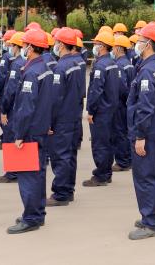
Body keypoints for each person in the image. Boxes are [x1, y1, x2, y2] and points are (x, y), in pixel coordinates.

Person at [6, 28, 55, 234]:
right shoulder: (45, 68)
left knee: (29, 176)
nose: (23, 48)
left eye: (25, 45)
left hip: (30, 131)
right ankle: (38, 213)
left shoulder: (32, 72)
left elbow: (26, 107)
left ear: (32, 47)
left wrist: (19, 134)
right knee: (38, 173)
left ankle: (31, 217)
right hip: (40, 128)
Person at [127, 22, 155, 240]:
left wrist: (140, 135)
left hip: (149, 133)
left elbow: (145, 106)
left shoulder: (147, 71)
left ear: (149, 44)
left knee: (146, 177)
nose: (137, 44)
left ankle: (151, 222)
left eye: (140, 40)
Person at [48, 28, 87, 205]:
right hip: (73, 115)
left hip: (62, 118)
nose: (55, 45)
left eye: (56, 42)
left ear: (62, 45)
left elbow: (55, 98)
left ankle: (61, 193)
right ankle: (68, 189)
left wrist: (50, 121)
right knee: (70, 155)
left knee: (61, 156)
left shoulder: (61, 67)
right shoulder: (77, 63)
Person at [84, 28, 119, 189]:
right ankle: (106, 172)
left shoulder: (101, 65)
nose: (94, 46)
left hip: (101, 110)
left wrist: (91, 110)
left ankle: (101, 175)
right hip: (110, 108)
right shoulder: (112, 63)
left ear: (103, 46)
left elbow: (96, 90)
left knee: (100, 144)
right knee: (108, 142)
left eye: (97, 43)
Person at [0, 32, 26, 183]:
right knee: (18, 136)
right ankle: (19, 169)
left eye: (12, 45)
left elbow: (10, 89)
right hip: (22, 106)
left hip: (13, 107)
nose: (10, 48)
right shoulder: (27, 62)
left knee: (10, 137)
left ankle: (12, 173)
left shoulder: (16, 64)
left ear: (17, 47)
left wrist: (4, 109)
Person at [112, 33, 135, 172]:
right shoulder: (128, 63)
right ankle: (128, 159)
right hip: (128, 103)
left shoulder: (120, 65)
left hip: (121, 104)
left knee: (120, 132)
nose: (112, 50)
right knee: (126, 131)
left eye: (113, 47)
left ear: (119, 48)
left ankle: (122, 161)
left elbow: (121, 87)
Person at [0, 29, 17, 151]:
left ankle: (6, 142)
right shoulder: (21, 59)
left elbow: (1, 76)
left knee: (4, 118)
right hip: (16, 93)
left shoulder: (6, 57)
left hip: (5, 92)